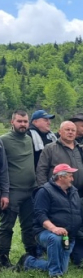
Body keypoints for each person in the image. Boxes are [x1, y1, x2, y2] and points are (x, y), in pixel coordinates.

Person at [18, 164, 82, 278]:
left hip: (68, 237)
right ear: (61, 177)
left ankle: (28, 262)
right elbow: (40, 214)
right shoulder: (44, 191)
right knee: (55, 238)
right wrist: (54, 229)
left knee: (63, 268)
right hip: (45, 233)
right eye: (70, 176)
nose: (72, 179)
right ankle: (54, 275)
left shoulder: (74, 192)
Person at [0, 110, 37, 267]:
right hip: (13, 191)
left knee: (29, 225)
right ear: (12, 122)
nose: (23, 124)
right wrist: (4, 192)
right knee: (7, 226)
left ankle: (32, 253)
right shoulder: (4, 140)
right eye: (19, 121)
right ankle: (3, 258)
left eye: (25, 121)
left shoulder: (29, 139)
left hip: (30, 190)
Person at [36, 121, 83, 196]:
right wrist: (44, 190)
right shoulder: (50, 148)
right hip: (58, 193)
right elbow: (41, 170)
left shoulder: (82, 149)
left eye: (73, 130)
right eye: (67, 130)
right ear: (60, 132)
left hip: (81, 194)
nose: (70, 132)